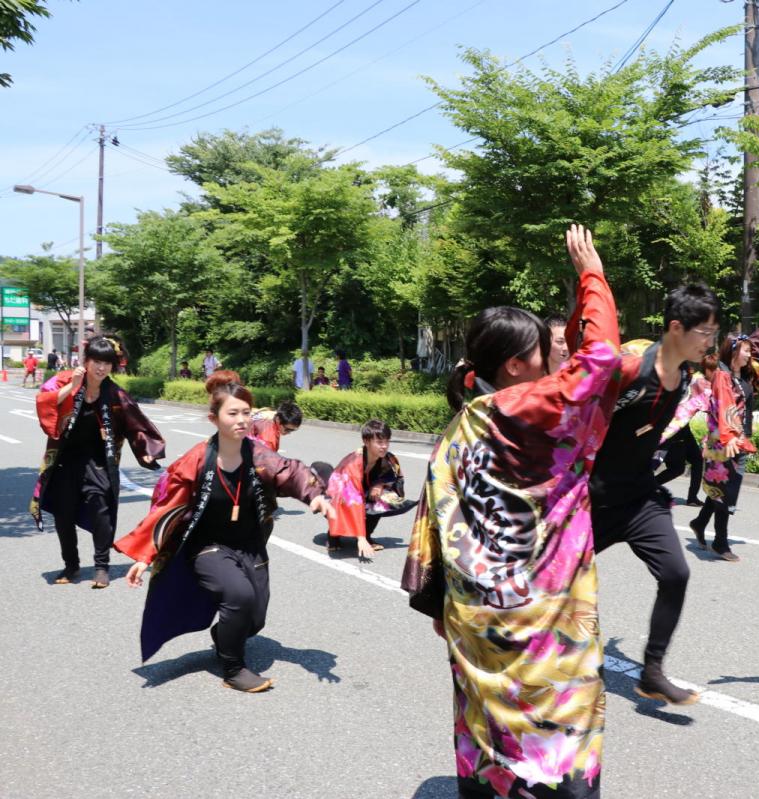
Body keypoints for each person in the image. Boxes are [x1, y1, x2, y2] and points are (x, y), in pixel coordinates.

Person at [402, 224, 619, 798]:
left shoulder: (464, 423)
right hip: (543, 618)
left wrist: (437, 601)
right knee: (559, 732)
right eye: (545, 349)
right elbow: (600, 360)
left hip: (476, 615)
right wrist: (590, 278)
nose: (559, 355)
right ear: (518, 365)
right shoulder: (531, 409)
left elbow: (434, 519)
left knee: (485, 727)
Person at [119, 371, 333, 693]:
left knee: (255, 618)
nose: (242, 420)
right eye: (233, 413)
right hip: (208, 546)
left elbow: (290, 471)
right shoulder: (196, 459)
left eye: (246, 412)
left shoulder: (258, 454)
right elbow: (167, 507)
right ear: (214, 418)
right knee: (239, 595)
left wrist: (315, 494)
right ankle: (233, 669)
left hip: (250, 545)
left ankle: (223, 637)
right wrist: (144, 555)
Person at [589, 283, 722, 706]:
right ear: (676, 327)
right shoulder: (632, 371)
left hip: (641, 496)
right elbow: (582, 420)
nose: (710, 342)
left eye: (714, 332)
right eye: (705, 332)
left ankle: (652, 671)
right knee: (552, 584)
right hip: (593, 499)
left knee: (676, 573)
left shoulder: (683, 375)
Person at [31, 335, 165, 588]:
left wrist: (147, 450)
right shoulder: (62, 380)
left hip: (99, 460)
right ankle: (71, 565)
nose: (101, 368)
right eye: (96, 361)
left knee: (102, 508)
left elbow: (136, 423)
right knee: (64, 514)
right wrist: (73, 387)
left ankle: (102, 566)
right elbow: (43, 403)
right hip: (64, 458)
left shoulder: (115, 393)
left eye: (107, 363)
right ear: (86, 361)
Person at [690, 294, 759, 562]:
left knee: (721, 489)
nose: (751, 353)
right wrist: (732, 436)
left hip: (737, 437)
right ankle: (720, 543)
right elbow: (725, 407)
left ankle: (699, 524)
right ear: (734, 351)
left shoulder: (743, 372)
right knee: (726, 490)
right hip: (724, 440)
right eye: (746, 350)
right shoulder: (723, 376)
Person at [318, 419, 416, 558]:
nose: (384, 446)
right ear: (366, 441)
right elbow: (353, 497)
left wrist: (380, 485)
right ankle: (334, 534)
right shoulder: (354, 461)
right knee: (346, 503)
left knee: (383, 499)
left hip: (362, 492)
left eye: (387, 442)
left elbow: (397, 479)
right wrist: (360, 538)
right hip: (339, 494)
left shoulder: (389, 459)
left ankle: (367, 534)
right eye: (379, 442)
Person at [654, 352, 718, 508]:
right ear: (709, 370)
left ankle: (692, 497)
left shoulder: (700, 380)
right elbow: (711, 403)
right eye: (716, 370)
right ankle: (646, 487)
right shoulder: (699, 381)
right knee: (677, 468)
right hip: (674, 428)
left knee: (697, 460)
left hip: (683, 428)